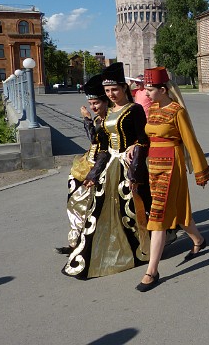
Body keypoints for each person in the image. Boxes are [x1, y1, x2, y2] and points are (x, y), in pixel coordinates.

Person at [63, 62, 151, 279]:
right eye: (107, 91)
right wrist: (94, 174)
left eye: (115, 90)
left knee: (131, 211)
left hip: (129, 168)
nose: (111, 94)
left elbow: (143, 141)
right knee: (100, 211)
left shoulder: (135, 110)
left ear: (123, 88)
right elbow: (102, 147)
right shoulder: (109, 113)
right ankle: (97, 253)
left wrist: (135, 173)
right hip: (108, 168)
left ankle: (142, 249)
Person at [136, 67, 209, 292]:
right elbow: (148, 137)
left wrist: (201, 171)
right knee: (177, 210)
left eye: (150, 89)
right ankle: (198, 240)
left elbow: (191, 142)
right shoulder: (155, 110)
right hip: (154, 167)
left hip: (172, 165)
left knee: (158, 215)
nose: (146, 93)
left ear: (162, 89)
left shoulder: (177, 111)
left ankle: (152, 271)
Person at [59, 74, 111, 255]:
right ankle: (77, 241)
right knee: (75, 200)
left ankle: (87, 243)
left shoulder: (110, 120)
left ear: (105, 101)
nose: (93, 107)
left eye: (96, 103)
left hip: (103, 166)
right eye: (91, 104)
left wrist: (94, 173)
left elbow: (105, 149)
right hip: (89, 162)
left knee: (87, 204)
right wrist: (88, 119)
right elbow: (93, 140)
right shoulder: (98, 119)